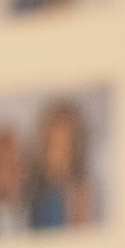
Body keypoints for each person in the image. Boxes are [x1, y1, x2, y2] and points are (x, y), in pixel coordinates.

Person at [27, 98, 96, 230]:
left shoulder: (80, 193)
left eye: (66, 147)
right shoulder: (32, 191)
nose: (58, 155)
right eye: (53, 145)